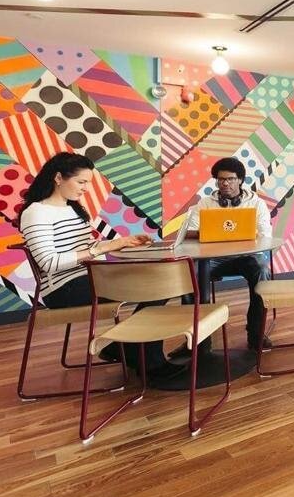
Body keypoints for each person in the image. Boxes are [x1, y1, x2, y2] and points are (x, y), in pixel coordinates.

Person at [17, 152, 184, 378]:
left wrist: (123, 242)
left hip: (89, 278)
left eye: (88, 183)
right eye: (81, 182)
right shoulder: (36, 212)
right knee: (156, 286)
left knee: (161, 281)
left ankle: (127, 348)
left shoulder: (72, 208)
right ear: (58, 178)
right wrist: (103, 248)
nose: (86, 188)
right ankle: (146, 361)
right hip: (62, 289)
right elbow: (48, 262)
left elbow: (86, 247)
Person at [186, 157, 273, 351]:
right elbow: (190, 232)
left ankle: (256, 333)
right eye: (221, 179)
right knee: (189, 275)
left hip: (246, 257)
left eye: (230, 179)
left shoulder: (256, 204)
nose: (225, 183)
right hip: (212, 259)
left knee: (261, 270)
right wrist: (209, 232)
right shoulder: (205, 204)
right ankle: (197, 339)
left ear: (240, 180)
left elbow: (266, 236)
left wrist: (247, 234)